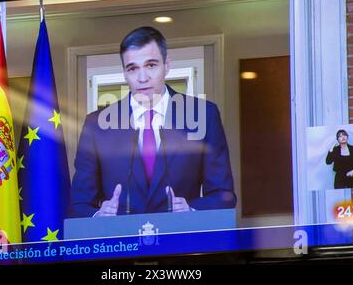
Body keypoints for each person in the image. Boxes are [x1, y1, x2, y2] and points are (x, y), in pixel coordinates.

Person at [68, 26, 236, 218]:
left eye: (151, 65)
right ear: (124, 73)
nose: (142, 78)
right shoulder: (96, 124)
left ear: (167, 65)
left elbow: (223, 195)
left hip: (180, 242)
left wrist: (191, 211)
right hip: (122, 242)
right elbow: (79, 204)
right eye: (133, 68)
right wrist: (99, 215)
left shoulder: (204, 115)